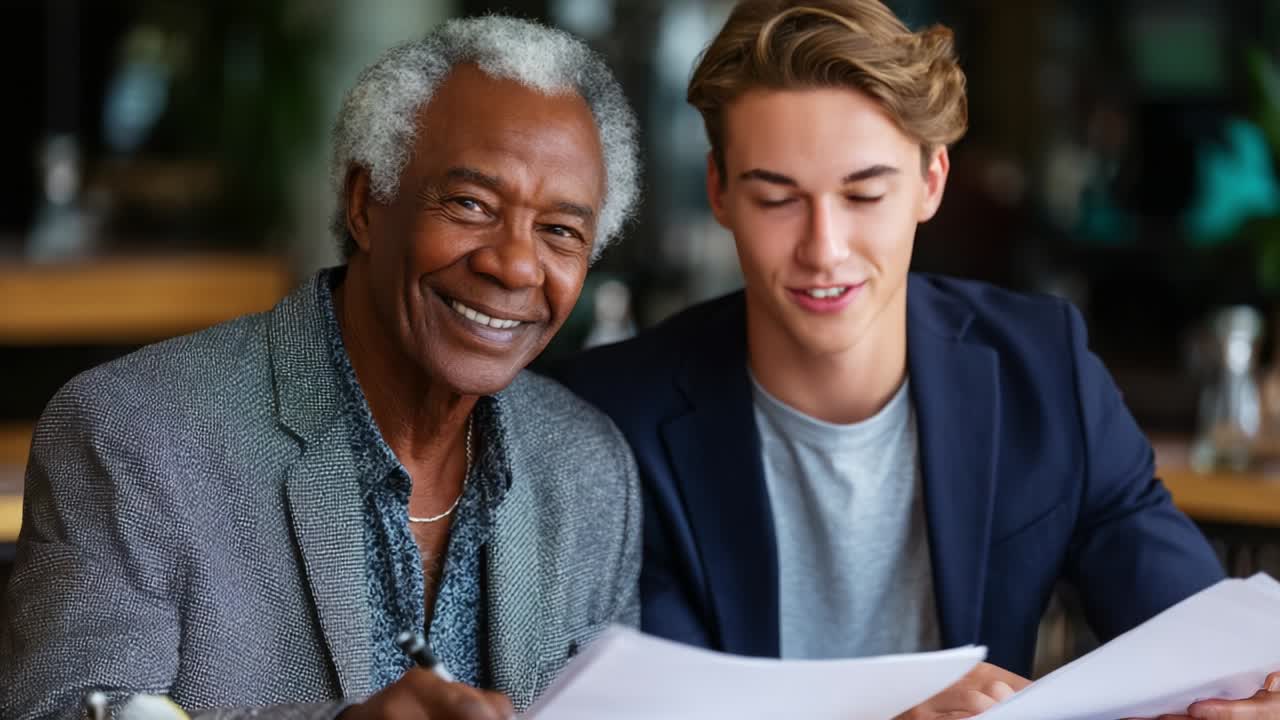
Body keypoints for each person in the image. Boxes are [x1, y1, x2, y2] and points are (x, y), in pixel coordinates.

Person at [554, 1, 1280, 718]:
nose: (824, 248)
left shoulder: (1042, 367)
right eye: (777, 199)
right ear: (718, 190)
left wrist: (1244, 690)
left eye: (865, 193)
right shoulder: (617, 417)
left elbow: (1193, 636)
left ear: (931, 181)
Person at [1, 16, 642, 720]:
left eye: (560, 232)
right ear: (366, 205)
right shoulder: (134, 436)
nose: (516, 264)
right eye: (470, 204)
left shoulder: (588, 469)